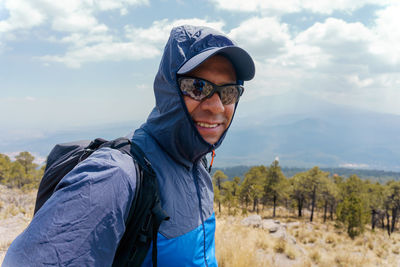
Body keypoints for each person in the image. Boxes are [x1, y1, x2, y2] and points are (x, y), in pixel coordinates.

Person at [2, 25, 255, 266]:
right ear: (169, 89)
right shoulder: (115, 175)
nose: (218, 106)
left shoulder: (196, 167)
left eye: (229, 92)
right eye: (198, 87)